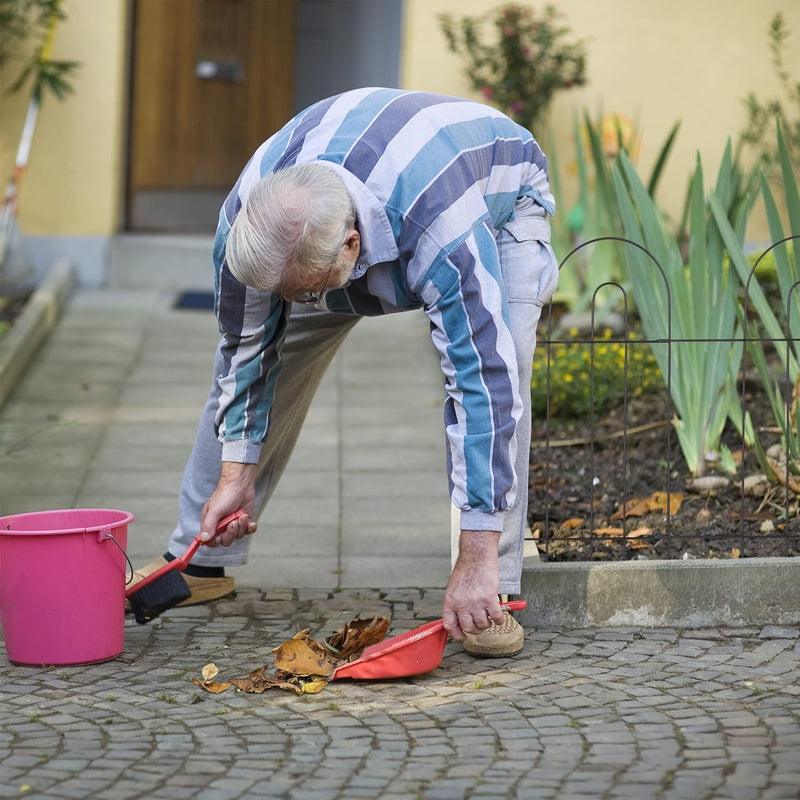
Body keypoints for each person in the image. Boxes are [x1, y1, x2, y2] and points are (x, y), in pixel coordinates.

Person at [130, 87, 558, 657]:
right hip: (340, 223)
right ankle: (202, 560)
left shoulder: (439, 228)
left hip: (496, 200)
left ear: (353, 248)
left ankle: (489, 584)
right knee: (253, 352)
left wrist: (475, 550)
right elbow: (244, 350)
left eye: (304, 290)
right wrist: (238, 470)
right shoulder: (248, 224)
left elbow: (483, 384)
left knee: (504, 363)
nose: (296, 302)